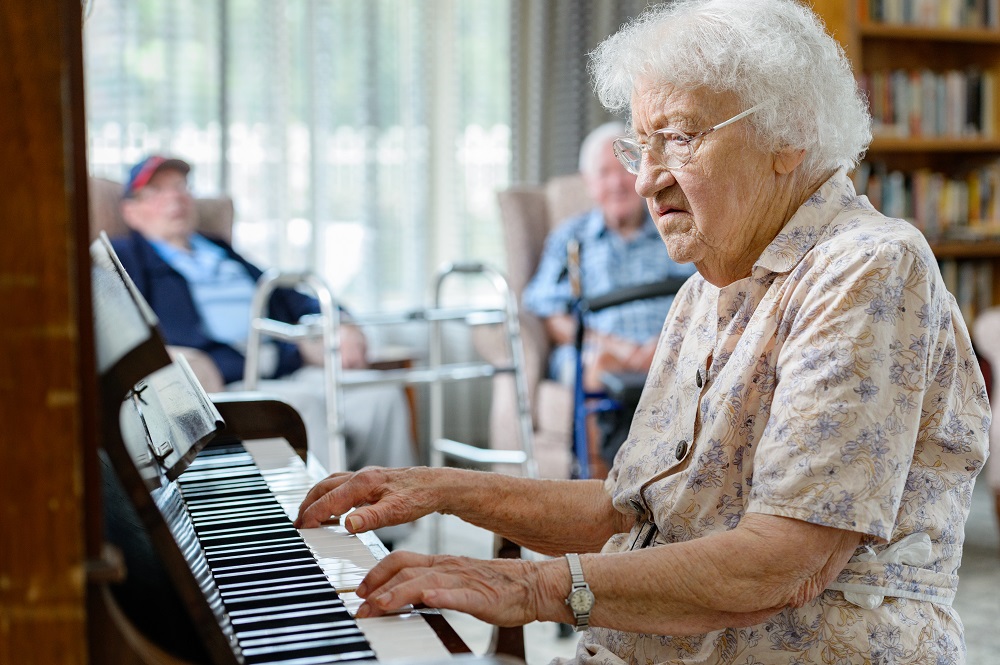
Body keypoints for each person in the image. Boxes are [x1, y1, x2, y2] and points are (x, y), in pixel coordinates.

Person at [295, 1, 990, 662]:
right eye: (640, 147)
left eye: (681, 137)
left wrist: (529, 588)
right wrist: (444, 489)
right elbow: (630, 511)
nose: (646, 180)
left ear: (790, 136)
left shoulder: (866, 267)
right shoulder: (706, 291)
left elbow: (782, 563)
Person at [111, 155, 416, 479]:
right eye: (157, 190)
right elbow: (124, 326)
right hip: (225, 376)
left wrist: (341, 321)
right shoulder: (129, 256)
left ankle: (395, 523)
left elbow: (289, 296)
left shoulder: (218, 249)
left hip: (284, 361)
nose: (174, 196)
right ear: (131, 210)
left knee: (381, 397)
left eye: (179, 186)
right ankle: (330, 522)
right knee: (302, 408)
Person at [523, 122, 697, 473]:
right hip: (597, 351)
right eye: (604, 173)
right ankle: (597, 484)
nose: (616, 183)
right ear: (589, 183)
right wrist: (614, 348)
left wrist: (663, 344)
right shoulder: (571, 238)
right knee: (594, 366)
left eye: (623, 169)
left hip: (665, 345)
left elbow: (703, 292)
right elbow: (548, 309)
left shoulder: (674, 225)